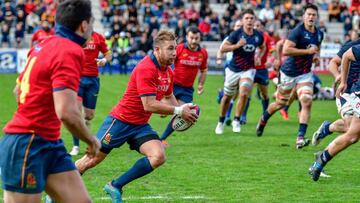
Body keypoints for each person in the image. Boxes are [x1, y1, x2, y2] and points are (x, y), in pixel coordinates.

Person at [75, 30, 198, 203]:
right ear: (157, 49)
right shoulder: (146, 68)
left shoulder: (168, 72)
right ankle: (56, 189)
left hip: (139, 125)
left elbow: (169, 97)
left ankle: (115, 185)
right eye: (170, 49)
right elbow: (148, 104)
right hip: (120, 121)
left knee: (158, 156)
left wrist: (181, 111)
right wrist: (178, 111)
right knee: (91, 160)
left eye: (175, 48)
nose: (174, 53)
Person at [0, 1, 100, 203]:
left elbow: (18, 89)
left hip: (49, 143)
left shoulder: (41, 45)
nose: (92, 29)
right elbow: (67, 112)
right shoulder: (70, 50)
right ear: (83, 25)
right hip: (27, 143)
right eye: (92, 23)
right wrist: (91, 140)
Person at [256, 4, 323, 149]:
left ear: (317, 17)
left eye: (313, 15)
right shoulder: (296, 32)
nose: (311, 17)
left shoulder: (319, 33)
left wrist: (316, 57)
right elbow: (286, 50)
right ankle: (263, 119)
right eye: (308, 14)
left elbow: (317, 49)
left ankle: (300, 137)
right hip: (289, 73)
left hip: (305, 73)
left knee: (306, 100)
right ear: (304, 16)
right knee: (280, 103)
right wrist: (308, 53)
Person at [309, 44, 360, 181]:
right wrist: (341, 80)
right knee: (351, 130)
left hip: (354, 92)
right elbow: (337, 61)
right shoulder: (353, 46)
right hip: (348, 93)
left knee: (353, 135)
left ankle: (321, 156)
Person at [215, 9, 265, 134]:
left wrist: (258, 56)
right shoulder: (236, 34)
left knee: (244, 93)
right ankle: (220, 121)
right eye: (246, 18)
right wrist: (237, 45)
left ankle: (236, 120)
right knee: (227, 98)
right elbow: (223, 48)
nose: (249, 20)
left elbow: (263, 47)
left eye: (251, 18)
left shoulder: (258, 35)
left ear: (254, 20)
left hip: (248, 69)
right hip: (233, 70)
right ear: (242, 20)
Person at [160, 26, 208, 144]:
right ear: (187, 37)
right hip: (172, 86)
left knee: (181, 115)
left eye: (196, 38)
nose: (194, 40)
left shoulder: (203, 53)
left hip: (187, 90)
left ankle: (162, 139)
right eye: (191, 38)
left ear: (200, 38)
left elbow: (203, 71)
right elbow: (167, 63)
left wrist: (200, 84)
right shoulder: (180, 48)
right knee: (162, 113)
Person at [311, 35, 360, 146]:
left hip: (358, 93)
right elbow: (333, 63)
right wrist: (339, 77)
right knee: (349, 126)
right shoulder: (352, 46)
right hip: (346, 92)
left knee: (355, 130)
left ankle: (327, 128)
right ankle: (327, 129)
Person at [69, 31, 112, 156]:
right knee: (76, 112)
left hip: (93, 80)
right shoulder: (76, 36)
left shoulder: (98, 37)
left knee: (88, 116)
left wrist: (104, 60)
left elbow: (108, 54)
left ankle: (87, 140)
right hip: (78, 79)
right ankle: (76, 146)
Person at [240, 19, 273, 125]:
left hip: (262, 69)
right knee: (247, 93)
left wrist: (270, 60)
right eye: (255, 26)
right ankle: (243, 116)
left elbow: (273, 50)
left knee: (264, 94)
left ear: (262, 27)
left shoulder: (266, 37)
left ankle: (265, 115)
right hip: (250, 69)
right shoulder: (248, 36)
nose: (256, 27)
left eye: (258, 25)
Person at [216, 19, 242, 126]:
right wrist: (219, 58)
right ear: (234, 27)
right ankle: (227, 116)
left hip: (241, 68)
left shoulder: (246, 39)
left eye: (240, 25)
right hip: (230, 67)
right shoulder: (229, 38)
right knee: (232, 92)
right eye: (237, 25)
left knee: (235, 93)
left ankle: (221, 94)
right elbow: (221, 49)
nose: (239, 27)